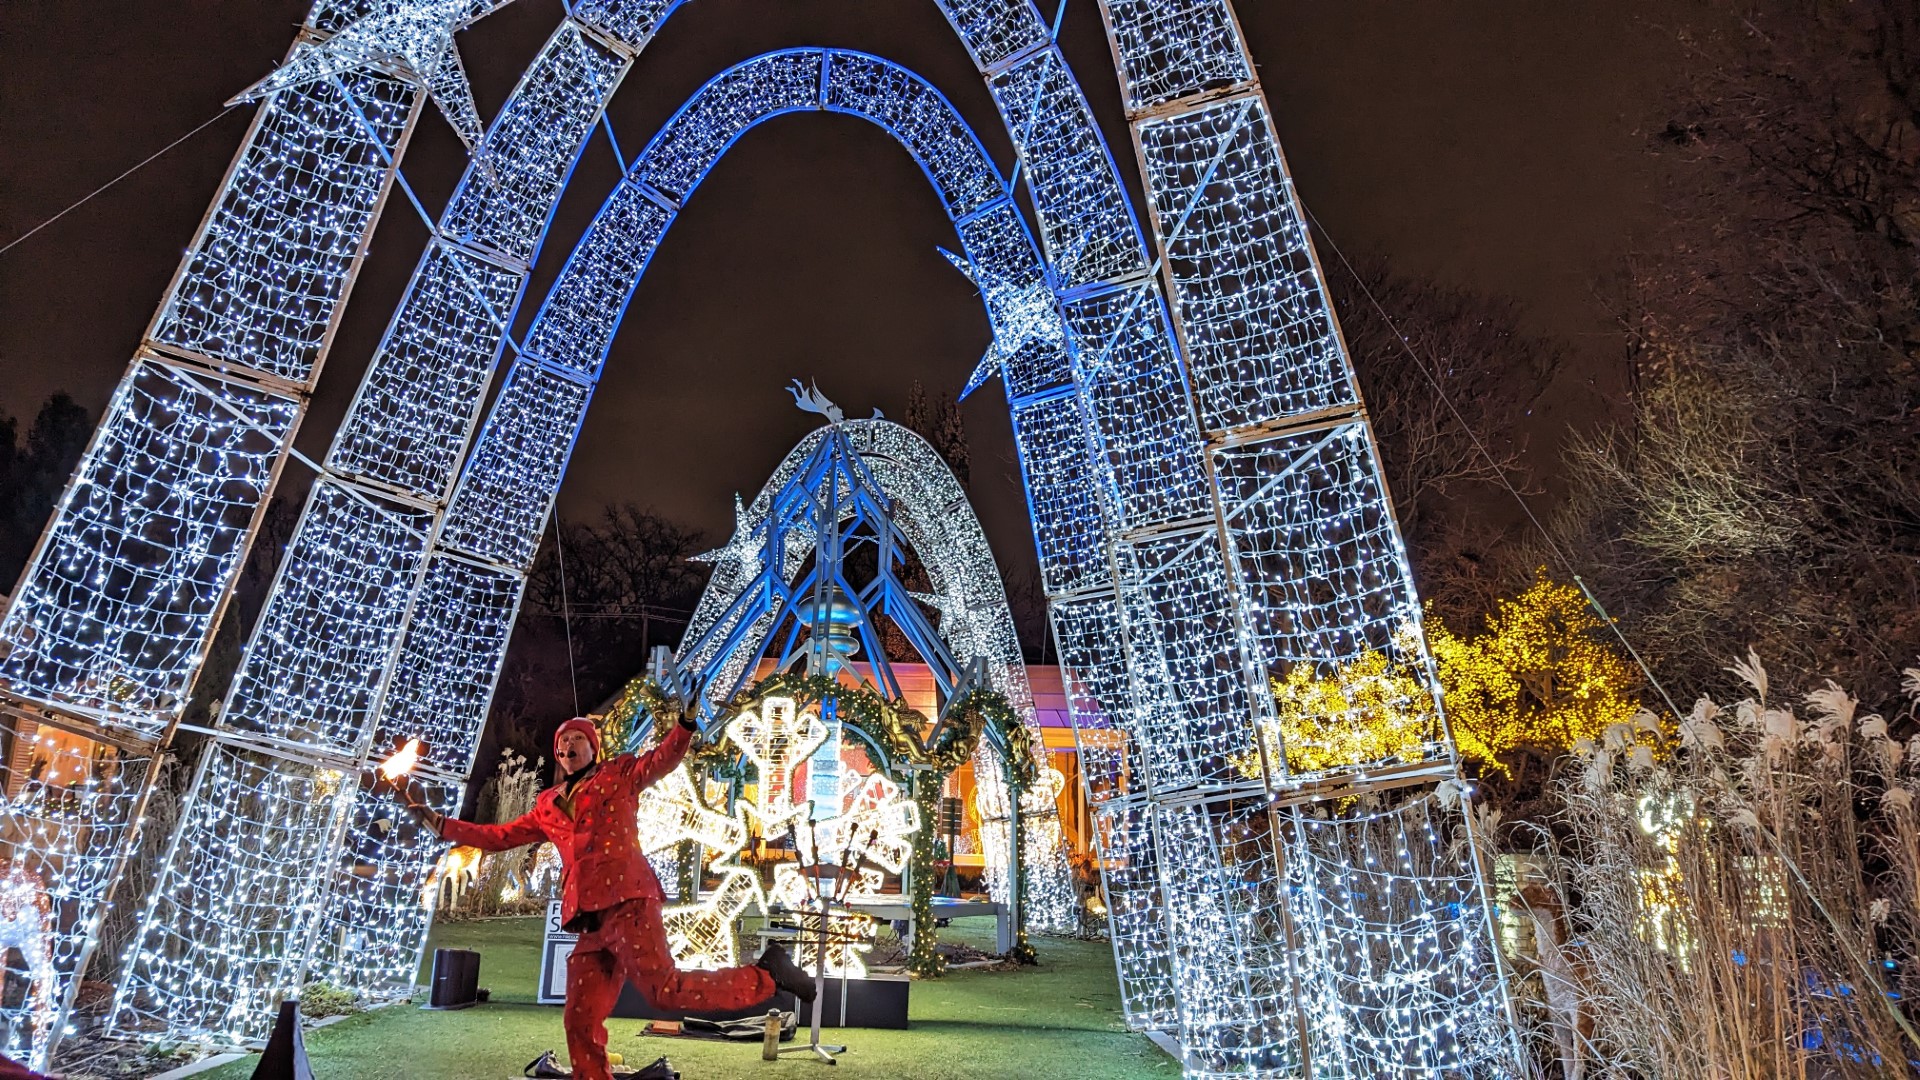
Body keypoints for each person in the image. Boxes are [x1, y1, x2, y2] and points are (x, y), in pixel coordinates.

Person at [409, 714, 814, 1080]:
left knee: (664, 991)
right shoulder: (547, 804)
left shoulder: (619, 773)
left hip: (628, 901)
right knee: (579, 1019)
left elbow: (661, 760)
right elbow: (498, 837)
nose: (566, 749)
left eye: (574, 740)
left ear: (592, 746)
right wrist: (443, 826)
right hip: (589, 920)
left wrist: (685, 725)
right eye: (560, 745)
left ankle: (767, 974)